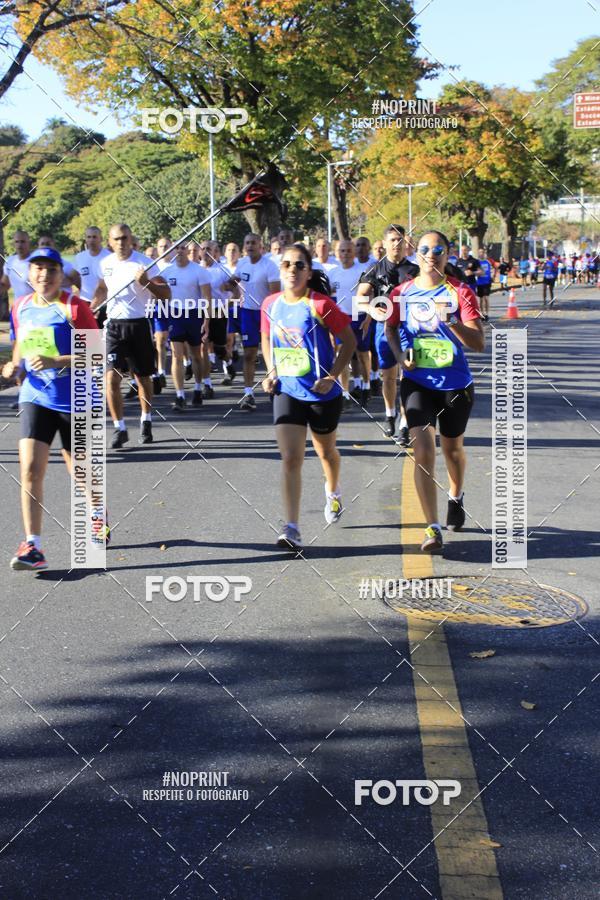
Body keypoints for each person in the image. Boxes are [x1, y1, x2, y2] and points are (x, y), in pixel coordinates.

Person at [3, 247, 102, 570]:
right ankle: (33, 546)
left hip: (75, 399)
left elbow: (96, 355)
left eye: (50, 269)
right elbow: (20, 343)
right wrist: (14, 368)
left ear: (61, 275)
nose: (43, 274)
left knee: (81, 470)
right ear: (29, 274)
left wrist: (55, 361)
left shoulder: (74, 308)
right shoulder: (21, 307)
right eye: (37, 268)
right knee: (30, 469)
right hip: (35, 396)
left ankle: (97, 514)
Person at [385, 230, 485, 554]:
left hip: (455, 385)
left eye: (438, 249)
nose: (431, 253)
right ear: (417, 256)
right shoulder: (402, 292)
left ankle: (456, 496)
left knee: (453, 450)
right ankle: (432, 526)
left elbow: (479, 343)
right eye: (425, 249)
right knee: (423, 451)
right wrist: (401, 357)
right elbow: (389, 326)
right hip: (417, 383)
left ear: (447, 255)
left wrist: (453, 321)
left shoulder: (460, 292)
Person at [261, 243, 356, 550]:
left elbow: (349, 341)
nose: (292, 270)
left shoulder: (320, 304)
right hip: (287, 391)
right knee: (291, 458)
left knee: (326, 452)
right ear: (280, 269)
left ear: (309, 272)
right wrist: (270, 371)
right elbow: (267, 339)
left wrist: (332, 376)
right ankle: (292, 527)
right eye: (287, 264)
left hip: (320, 393)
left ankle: (333, 490)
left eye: (299, 265)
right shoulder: (270, 304)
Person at [91, 223, 170, 448]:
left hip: (139, 325)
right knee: (111, 378)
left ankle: (146, 420)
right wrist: (93, 305)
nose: (121, 243)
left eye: (125, 238)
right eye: (116, 239)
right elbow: (102, 289)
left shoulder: (144, 263)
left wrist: (145, 282)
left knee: (142, 378)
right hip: (114, 327)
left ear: (131, 239)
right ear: (109, 241)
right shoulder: (104, 264)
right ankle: (120, 428)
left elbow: (166, 294)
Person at [356, 224, 418, 441]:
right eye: (392, 240)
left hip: (408, 329)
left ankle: (405, 423)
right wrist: (371, 308)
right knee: (388, 377)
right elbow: (360, 298)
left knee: (408, 375)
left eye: (400, 240)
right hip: (384, 330)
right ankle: (390, 414)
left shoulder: (414, 271)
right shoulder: (376, 269)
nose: (397, 244)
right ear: (385, 243)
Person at [160, 241, 212, 409]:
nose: (180, 251)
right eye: (177, 248)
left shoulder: (198, 271)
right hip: (175, 315)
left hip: (194, 314)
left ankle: (198, 388)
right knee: (176, 354)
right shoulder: (167, 271)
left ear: (188, 251)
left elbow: (207, 297)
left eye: (183, 248)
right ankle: (180, 395)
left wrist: (206, 321)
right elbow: (158, 293)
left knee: (196, 355)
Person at [234, 233, 280, 411]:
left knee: (270, 353)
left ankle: (274, 385)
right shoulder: (242, 263)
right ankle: (248, 393)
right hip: (247, 313)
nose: (250, 246)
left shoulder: (269, 266)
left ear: (260, 245)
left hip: (266, 313)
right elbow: (235, 279)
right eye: (247, 243)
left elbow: (274, 295)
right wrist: (229, 284)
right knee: (248, 354)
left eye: (253, 242)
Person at [329, 239, 372, 406]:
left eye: (348, 251)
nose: (345, 254)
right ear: (337, 253)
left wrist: (368, 318)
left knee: (362, 354)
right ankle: (345, 393)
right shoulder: (333, 273)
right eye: (342, 251)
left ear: (354, 253)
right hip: (342, 318)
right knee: (342, 356)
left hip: (359, 316)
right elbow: (330, 296)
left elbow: (371, 295)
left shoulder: (362, 271)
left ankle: (366, 385)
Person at [74, 227, 111, 303]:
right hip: (85, 302)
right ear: (86, 239)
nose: (91, 240)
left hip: (106, 302)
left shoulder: (110, 257)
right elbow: (75, 281)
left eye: (94, 237)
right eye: (89, 237)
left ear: (101, 238)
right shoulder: (79, 257)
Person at [475, 248, 493, 320]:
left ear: (484, 253)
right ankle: (482, 313)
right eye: (480, 252)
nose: (481, 253)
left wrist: (492, 276)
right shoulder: (477, 262)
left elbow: (492, 269)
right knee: (481, 299)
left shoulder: (487, 262)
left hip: (487, 282)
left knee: (486, 298)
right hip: (479, 282)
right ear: (478, 254)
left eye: (482, 252)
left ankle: (487, 313)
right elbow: (475, 271)